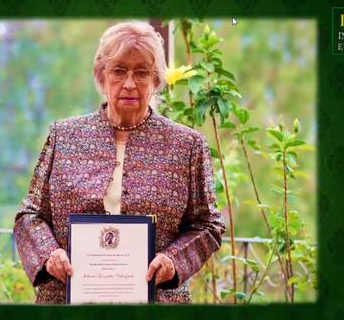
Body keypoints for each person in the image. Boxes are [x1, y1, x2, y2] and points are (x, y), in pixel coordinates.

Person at [13, 21, 225, 304]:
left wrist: (173, 260)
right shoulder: (63, 136)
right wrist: (49, 253)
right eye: (118, 71)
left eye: (141, 73)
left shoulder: (186, 145)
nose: (129, 83)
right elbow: (30, 215)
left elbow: (208, 224)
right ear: (101, 76)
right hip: (66, 299)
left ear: (156, 81)